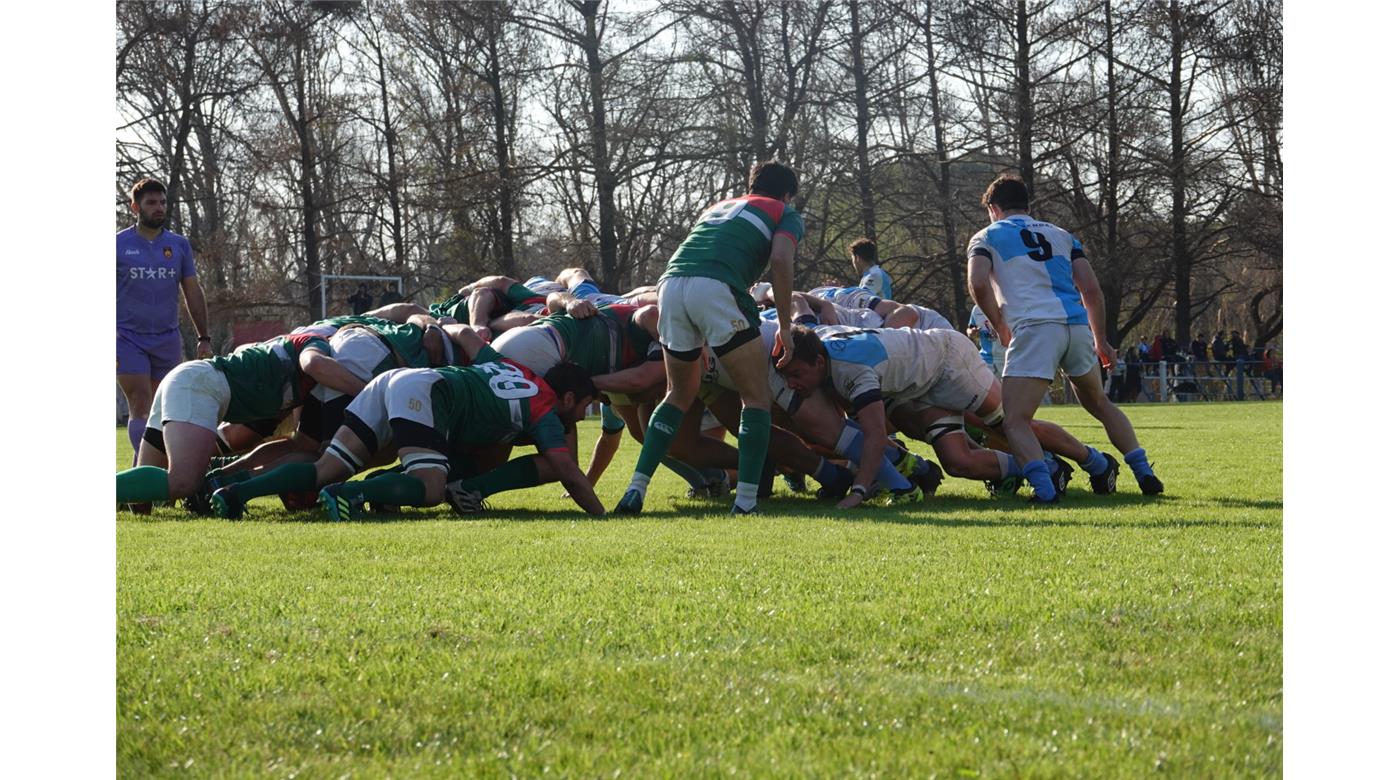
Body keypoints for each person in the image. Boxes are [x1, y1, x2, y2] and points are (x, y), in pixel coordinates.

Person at [615, 161, 803, 515]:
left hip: (669, 284)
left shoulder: (717, 206)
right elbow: (780, 259)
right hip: (716, 286)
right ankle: (746, 502)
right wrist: (785, 327)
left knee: (678, 393)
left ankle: (635, 489)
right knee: (756, 397)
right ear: (787, 193)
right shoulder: (784, 211)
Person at [966, 174, 1162, 502]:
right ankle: (1144, 472)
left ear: (994, 209)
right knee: (1099, 403)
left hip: (1035, 328)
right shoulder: (1062, 235)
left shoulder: (986, 236)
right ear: (1027, 205)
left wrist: (999, 323)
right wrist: (1100, 338)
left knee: (1015, 420)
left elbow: (979, 284)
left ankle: (1044, 490)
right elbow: (1092, 291)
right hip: (1075, 326)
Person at [117, 177, 213, 466]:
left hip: (167, 339)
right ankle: (159, 477)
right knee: (141, 406)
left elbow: (193, 291)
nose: (159, 208)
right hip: (126, 338)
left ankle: (137, 481)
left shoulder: (178, 245)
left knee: (161, 412)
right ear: (135, 206)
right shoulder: (117, 245)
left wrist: (204, 337)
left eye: (162, 202)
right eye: (151, 203)